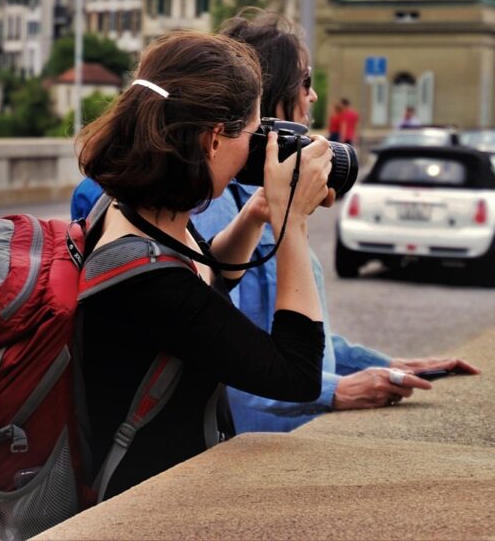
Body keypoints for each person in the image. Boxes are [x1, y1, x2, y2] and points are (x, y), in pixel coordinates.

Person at [192, 9, 479, 432]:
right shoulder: (216, 202)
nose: (313, 98)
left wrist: (384, 365)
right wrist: (338, 391)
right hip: (251, 450)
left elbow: (296, 334)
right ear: (269, 96)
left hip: (289, 434)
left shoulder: (258, 194)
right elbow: (222, 353)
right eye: (305, 82)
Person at [76, 29, 335, 498]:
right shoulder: (147, 282)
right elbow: (296, 376)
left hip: (161, 486)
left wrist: (257, 213)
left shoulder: (135, 210)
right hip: (145, 504)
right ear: (215, 140)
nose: (259, 148)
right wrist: (291, 221)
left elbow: (206, 281)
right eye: (255, 134)